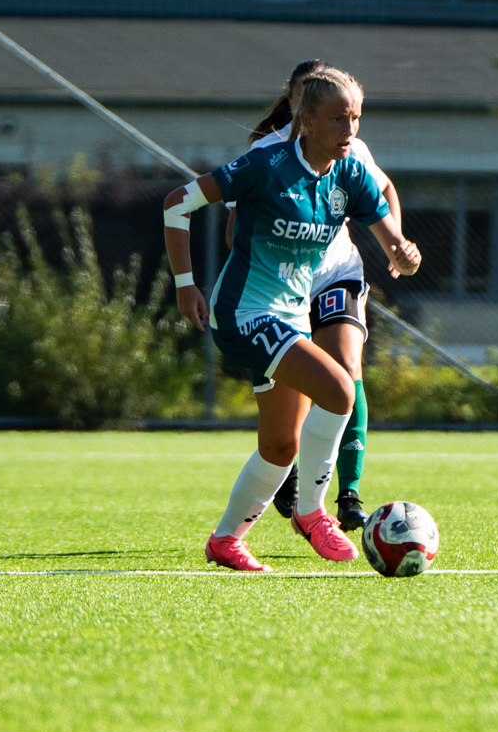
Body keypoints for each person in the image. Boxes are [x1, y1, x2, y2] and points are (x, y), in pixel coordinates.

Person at [164, 69, 421, 572]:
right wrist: (185, 285)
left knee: (281, 446)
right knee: (340, 389)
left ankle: (225, 540)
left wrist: (405, 254)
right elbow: (178, 203)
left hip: (290, 318)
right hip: (242, 314)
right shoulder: (266, 164)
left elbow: (393, 241)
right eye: (338, 119)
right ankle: (312, 512)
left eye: (355, 118)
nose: (349, 130)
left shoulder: (350, 174)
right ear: (307, 121)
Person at [227, 60, 404, 532]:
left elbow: (384, 188)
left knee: (347, 369)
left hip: (335, 273)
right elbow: (231, 228)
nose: (344, 123)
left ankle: (347, 495)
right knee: (295, 407)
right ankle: (291, 474)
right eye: (310, 94)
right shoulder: (266, 154)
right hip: (278, 289)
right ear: (297, 106)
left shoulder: (351, 149)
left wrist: (398, 243)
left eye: (350, 114)